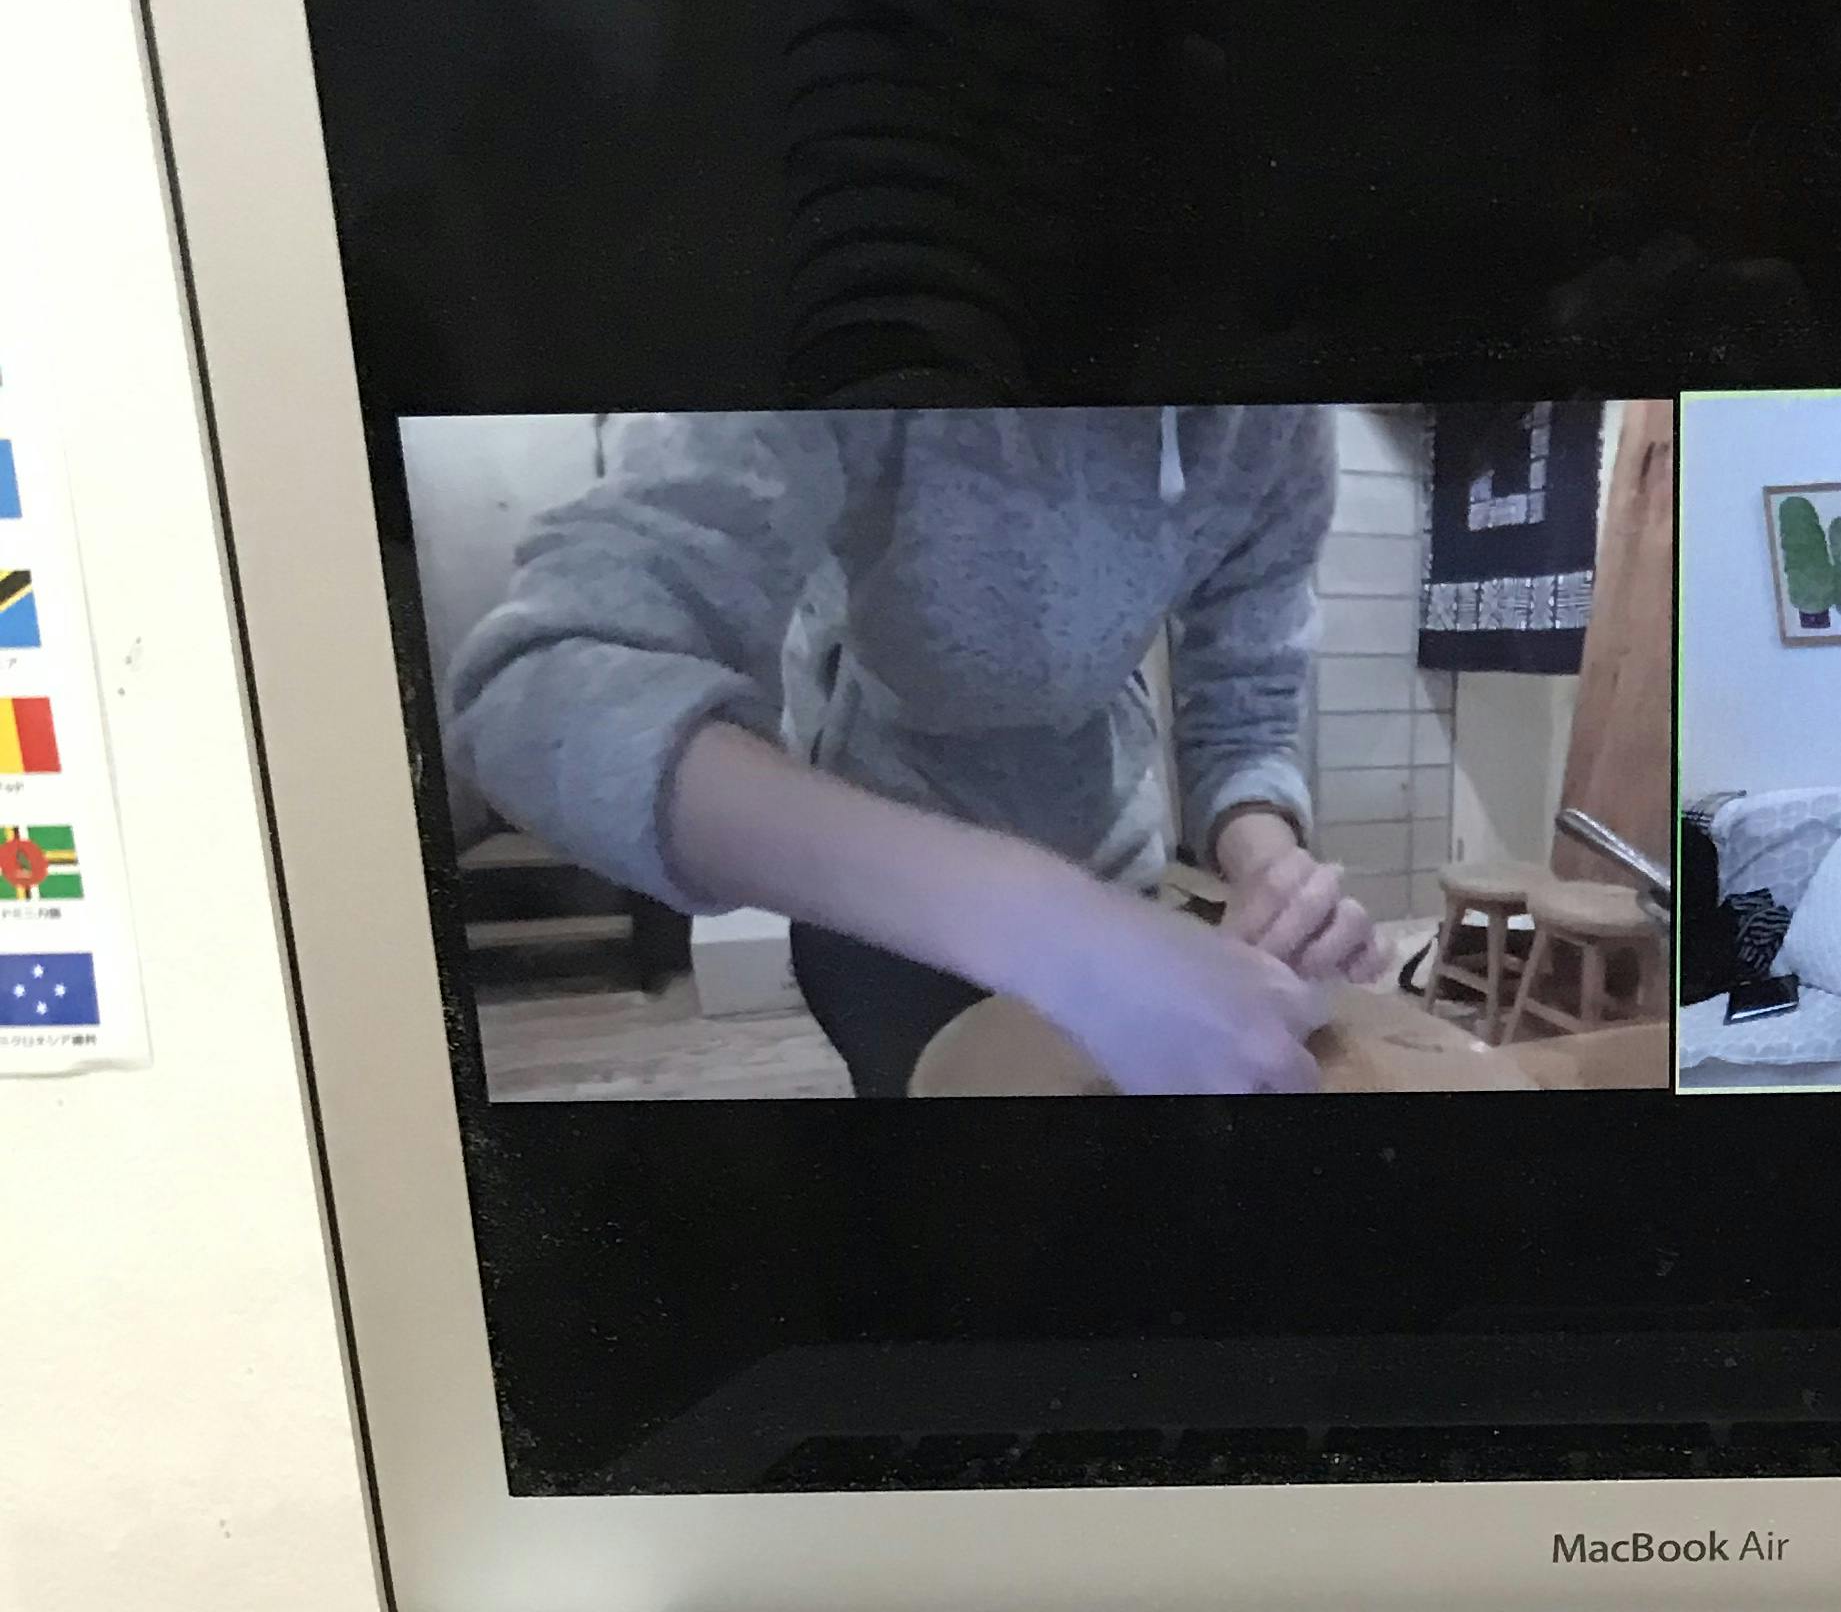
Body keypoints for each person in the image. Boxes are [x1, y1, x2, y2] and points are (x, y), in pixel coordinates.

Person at [445, 405, 1381, 1096]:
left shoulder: (1281, 425)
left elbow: (1245, 705)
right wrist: (1054, 931)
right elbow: (541, 686)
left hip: (1116, 863)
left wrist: (1271, 865)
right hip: (882, 890)